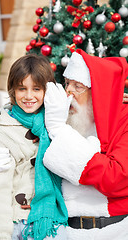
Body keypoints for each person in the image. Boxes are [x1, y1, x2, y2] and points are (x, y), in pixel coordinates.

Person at [0, 53, 68, 240]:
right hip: (12, 222)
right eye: (22, 89)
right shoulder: (4, 131)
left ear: (48, 91)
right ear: (12, 91)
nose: (29, 96)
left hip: (47, 220)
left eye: (36, 89)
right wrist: (1, 234)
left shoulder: (55, 123)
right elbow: (0, 190)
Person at [43, 49, 128, 240]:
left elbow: (117, 177)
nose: (68, 93)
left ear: (97, 91)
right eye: (67, 84)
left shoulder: (124, 120)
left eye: (77, 86)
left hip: (114, 231)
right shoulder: (61, 118)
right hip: (64, 231)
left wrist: (60, 134)